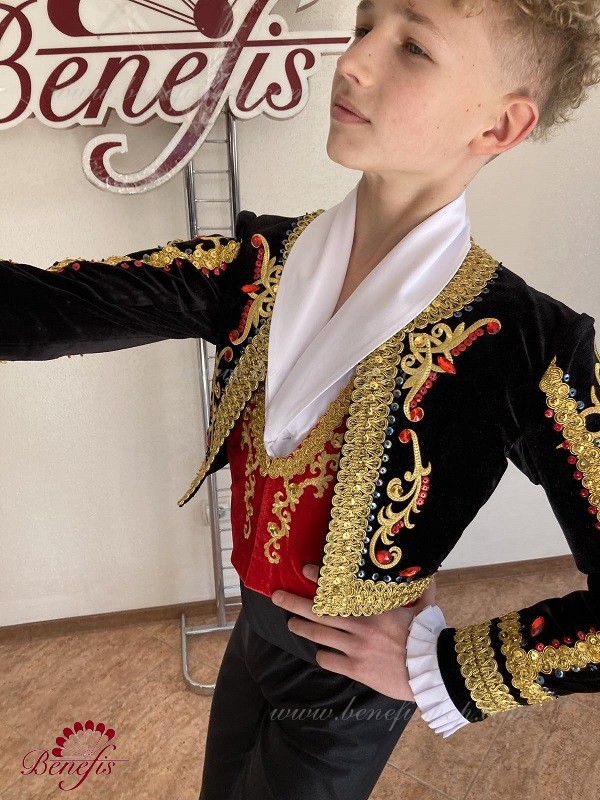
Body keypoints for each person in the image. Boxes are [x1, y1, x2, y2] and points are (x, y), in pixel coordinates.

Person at [1, 0, 600, 798]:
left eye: (414, 48)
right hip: (252, 639)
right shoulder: (254, 263)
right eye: (364, 27)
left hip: (351, 685)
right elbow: (48, 306)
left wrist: (449, 667)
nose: (353, 62)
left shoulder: (527, 343)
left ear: (499, 126)